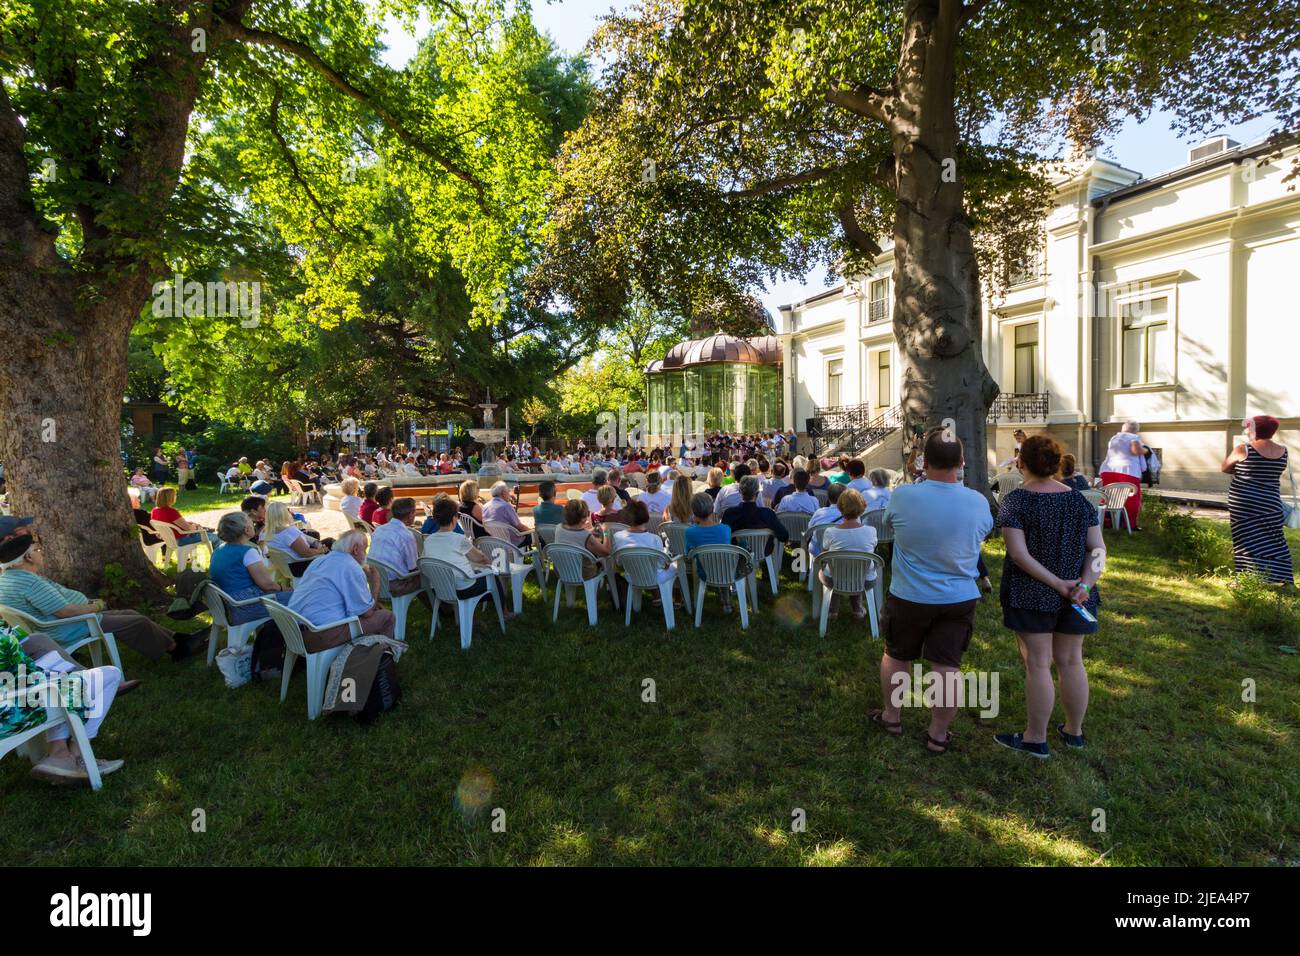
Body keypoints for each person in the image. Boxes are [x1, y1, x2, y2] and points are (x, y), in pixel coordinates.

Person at [872, 426, 993, 754]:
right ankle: (938, 734)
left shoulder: (904, 496)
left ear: (925, 461)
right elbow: (982, 534)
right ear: (962, 461)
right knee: (946, 667)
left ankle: (892, 716)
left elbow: (889, 524)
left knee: (898, 656)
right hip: (958, 597)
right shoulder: (978, 502)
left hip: (910, 595)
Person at [994, 434, 1105, 758]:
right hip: (1077, 596)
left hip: (1032, 594)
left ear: (1021, 463)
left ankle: (1035, 738)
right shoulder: (1079, 500)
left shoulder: (1016, 501)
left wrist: (1059, 584)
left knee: (1039, 665)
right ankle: (1074, 732)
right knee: (1072, 662)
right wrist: (1084, 585)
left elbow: (1018, 555)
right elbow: (1097, 549)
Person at [0, 529, 200, 661]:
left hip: (64, 622)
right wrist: (95, 606)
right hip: (68, 626)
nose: (41, 552)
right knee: (136, 622)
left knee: (128, 612)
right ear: (28, 557)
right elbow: (65, 611)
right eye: (38, 549)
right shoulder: (28, 582)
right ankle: (177, 649)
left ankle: (178, 638)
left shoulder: (9, 577)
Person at [1, 622, 125, 784]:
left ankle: (61, 752)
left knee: (65, 682)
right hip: (16, 708)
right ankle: (73, 754)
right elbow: (20, 674)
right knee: (110, 675)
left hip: (12, 695)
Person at [287, 531, 395, 650]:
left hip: (293, 631)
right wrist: (376, 583)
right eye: (365, 549)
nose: (365, 554)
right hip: (319, 635)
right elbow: (367, 613)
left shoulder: (319, 560)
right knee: (387, 617)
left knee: (375, 609)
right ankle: (384, 658)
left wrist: (372, 603)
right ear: (355, 549)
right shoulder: (351, 567)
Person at [1223, 414, 1294, 585]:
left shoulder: (1243, 449)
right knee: (1275, 539)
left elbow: (1225, 467)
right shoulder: (1282, 451)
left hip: (1245, 503)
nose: (1247, 431)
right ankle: (1283, 578)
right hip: (1271, 502)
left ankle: (1245, 579)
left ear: (1255, 430)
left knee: (1246, 540)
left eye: (1249, 427)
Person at [208, 512, 289, 623]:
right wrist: (284, 588)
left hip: (227, 605)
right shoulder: (247, 552)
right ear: (246, 530)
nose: (254, 525)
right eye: (251, 523)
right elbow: (268, 585)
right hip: (245, 606)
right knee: (300, 598)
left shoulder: (218, 550)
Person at [819, 488, 879, 620]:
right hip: (864, 581)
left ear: (840, 507)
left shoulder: (830, 532)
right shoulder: (871, 531)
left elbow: (824, 556)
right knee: (857, 568)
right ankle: (857, 609)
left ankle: (832, 610)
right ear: (862, 507)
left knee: (831, 569)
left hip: (834, 579)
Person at [369, 497, 431, 606]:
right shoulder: (406, 536)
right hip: (395, 585)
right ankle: (443, 609)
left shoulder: (379, 530)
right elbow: (413, 568)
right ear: (410, 515)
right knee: (431, 575)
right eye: (414, 512)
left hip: (377, 581)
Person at [721, 475, 789, 557]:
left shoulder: (729, 513)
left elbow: (722, 539)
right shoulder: (767, 513)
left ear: (740, 492)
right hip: (763, 551)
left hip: (737, 553)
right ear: (757, 493)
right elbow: (783, 536)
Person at [1099, 420, 1145, 531]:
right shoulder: (1133, 437)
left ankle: (1105, 521)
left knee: (1108, 497)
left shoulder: (1114, 438)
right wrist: (1145, 451)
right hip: (1128, 471)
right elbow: (1135, 451)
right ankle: (1129, 524)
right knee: (1132, 498)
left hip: (1108, 470)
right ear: (1135, 430)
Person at [554, 499, 613, 581]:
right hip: (583, 574)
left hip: (562, 571)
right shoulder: (585, 536)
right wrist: (606, 532)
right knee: (605, 561)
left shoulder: (559, 527)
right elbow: (606, 552)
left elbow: (573, 536)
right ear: (583, 519)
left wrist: (589, 531)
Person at [266, 501, 329, 577]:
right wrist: (321, 550)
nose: (289, 512)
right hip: (301, 566)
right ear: (283, 514)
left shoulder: (265, 533)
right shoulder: (288, 532)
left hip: (287, 565)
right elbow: (306, 553)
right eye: (287, 510)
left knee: (327, 541)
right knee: (331, 545)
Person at [482, 482, 531, 546]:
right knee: (539, 538)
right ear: (503, 493)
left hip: (495, 542)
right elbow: (519, 526)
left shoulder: (485, 506)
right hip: (512, 543)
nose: (510, 494)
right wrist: (532, 531)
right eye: (508, 491)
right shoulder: (505, 506)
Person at [807, 482, 846, 558]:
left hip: (818, 551)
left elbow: (810, 528)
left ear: (828, 498)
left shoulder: (819, 513)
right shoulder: (850, 516)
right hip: (841, 552)